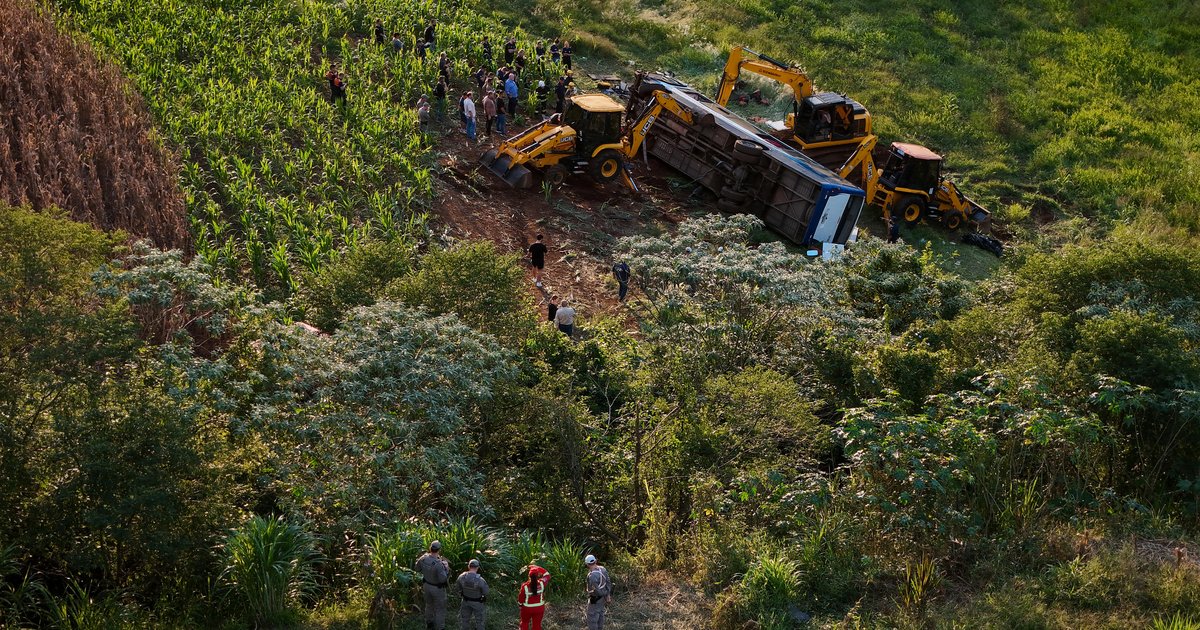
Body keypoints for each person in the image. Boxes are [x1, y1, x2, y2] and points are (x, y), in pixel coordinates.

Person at [415, 541, 451, 630]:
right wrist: (446, 568)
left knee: (429, 605)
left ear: (430, 548)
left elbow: (417, 568)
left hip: (426, 585)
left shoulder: (423, 558)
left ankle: (429, 623)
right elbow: (443, 579)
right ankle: (440, 627)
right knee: (440, 609)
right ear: (439, 550)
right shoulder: (439, 564)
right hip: (437, 589)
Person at [456, 559, 489, 630]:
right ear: (477, 567)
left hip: (465, 601)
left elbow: (458, 588)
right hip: (477, 602)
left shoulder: (461, 577)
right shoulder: (480, 580)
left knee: (464, 619)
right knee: (479, 620)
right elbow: (486, 592)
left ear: (468, 566)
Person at [518, 565, 551, 630]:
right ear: (538, 576)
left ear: (529, 576)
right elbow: (547, 575)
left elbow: (521, 598)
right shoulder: (542, 583)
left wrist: (520, 605)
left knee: (524, 623)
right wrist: (537, 567)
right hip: (539, 608)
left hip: (527, 608)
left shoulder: (525, 586)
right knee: (537, 625)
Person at [585, 555, 613, 630]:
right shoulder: (603, 569)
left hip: (595, 598)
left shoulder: (591, 576)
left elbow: (596, 590)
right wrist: (607, 595)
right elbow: (608, 582)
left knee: (592, 618)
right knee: (600, 615)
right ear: (595, 561)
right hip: (603, 598)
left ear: (587, 564)